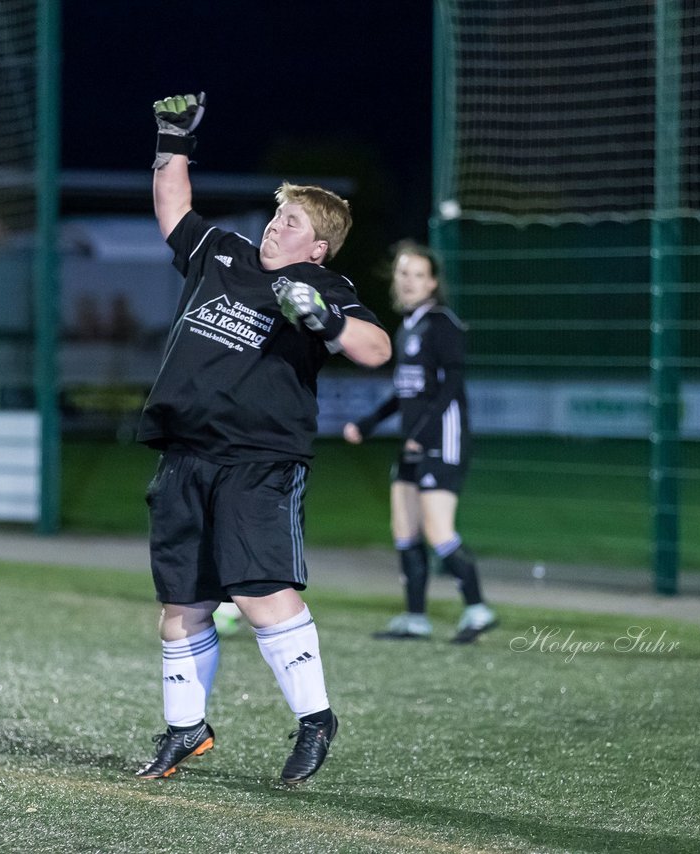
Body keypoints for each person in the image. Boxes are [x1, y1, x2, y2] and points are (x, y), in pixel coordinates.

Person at [134, 93, 392, 784]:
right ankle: (186, 730)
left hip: (258, 463)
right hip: (185, 455)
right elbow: (170, 205)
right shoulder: (223, 252)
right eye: (277, 214)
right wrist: (173, 138)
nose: (278, 226)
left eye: (294, 221)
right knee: (182, 606)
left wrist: (325, 321)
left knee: (257, 593)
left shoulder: (322, 284)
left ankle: (315, 720)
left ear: (318, 244)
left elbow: (375, 347)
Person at [342, 242, 498, 644]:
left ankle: (477, 609)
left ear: (432, 282)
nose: (408, 281)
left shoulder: (442, 323)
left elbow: (452, 385)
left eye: (417, 275)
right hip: (414, 441)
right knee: (404, 528)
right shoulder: (409, 325)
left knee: (438, 530)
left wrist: (422, 436)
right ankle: (416, 618)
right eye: (403, 273)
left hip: (440, 441)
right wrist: (369, 423)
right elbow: (404, 391)